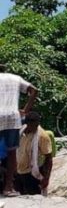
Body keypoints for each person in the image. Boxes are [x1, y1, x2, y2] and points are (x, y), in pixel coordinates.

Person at [0, 64, 38, 197]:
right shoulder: (15, 78)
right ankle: (8, 188)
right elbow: (34, 90)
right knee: (11, 153)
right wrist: (26, 110)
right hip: (12, 117)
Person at [15, 111, 54, 195]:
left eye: (36, 125)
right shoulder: (20, 132)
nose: (35, 127)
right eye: (32, 125)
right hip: (19, 172)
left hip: (33, 174)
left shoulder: (42, 136)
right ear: (26, 124)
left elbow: (48, 158)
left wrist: (46, 178)